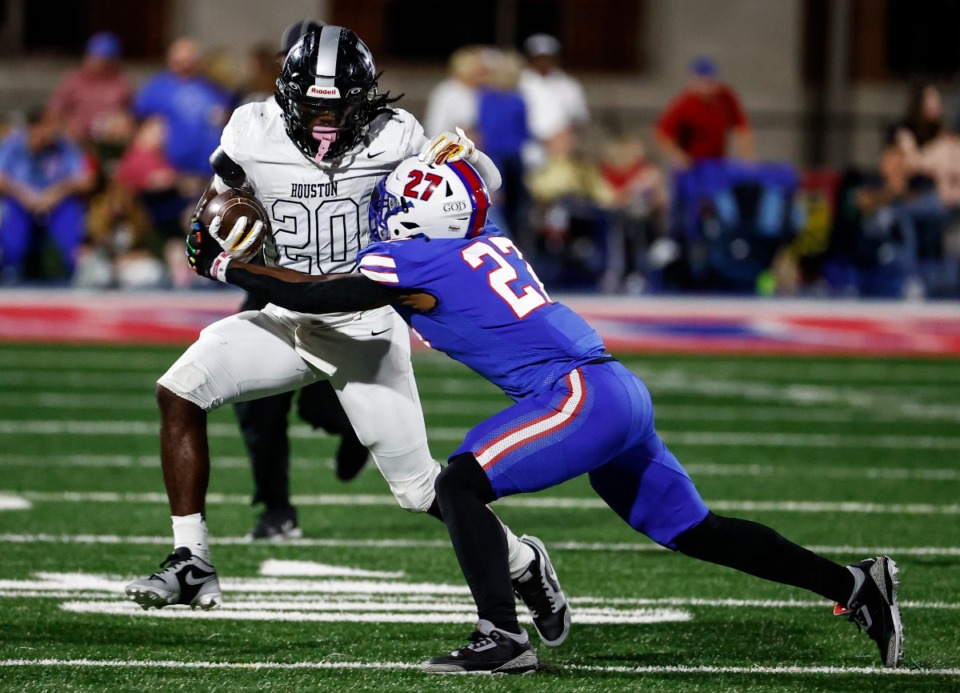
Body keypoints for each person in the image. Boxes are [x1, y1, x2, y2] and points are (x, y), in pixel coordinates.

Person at [187, 154, 904, 674]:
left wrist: (228, 268)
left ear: (421, 213)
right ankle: (852, 584)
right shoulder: (484, 241)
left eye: (396, 204)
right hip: (616, 388)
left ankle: (500, 633)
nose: (385, 216)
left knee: (459, 482)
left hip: (577, 396)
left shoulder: (420, 261)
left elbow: (316, 296)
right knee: (696, 529)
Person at [123, 26, 570, 652]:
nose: (328, 121)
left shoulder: (399, 134)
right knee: (179, 391)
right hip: (286, 318)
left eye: (342, 106)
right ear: (286, 97)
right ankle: (191, 560)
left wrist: (466, 160)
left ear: (367, 98)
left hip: (364, 325)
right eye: (314, 106)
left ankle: (523, 562)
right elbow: (219, 201)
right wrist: (211, 224)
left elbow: (472, 193)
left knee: (419, 491)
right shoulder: (252, 130)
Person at [232, 19, 370, 541]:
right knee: (258, 404)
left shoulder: (377, 132)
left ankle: (353, 426)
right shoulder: (255, 123)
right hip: (272, 278)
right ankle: (277, 509)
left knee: (319, 397)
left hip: (341, 284)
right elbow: (229, 187)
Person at [0, 108, 94, 283]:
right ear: (34, 127)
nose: (54, 131)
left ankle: (74, 267)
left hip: (56, 203)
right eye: (49, 126)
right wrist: (23, 194)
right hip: (20, 202)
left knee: (70, 210)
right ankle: (9, 267)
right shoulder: (11, 145)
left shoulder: (64, 147)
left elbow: (85, 179)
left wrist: (58, 191)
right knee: (12, 214)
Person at [654, 56, 754, 170]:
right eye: (702, 81)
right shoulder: (684, 104)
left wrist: (747, 158)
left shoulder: (726, 97)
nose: (706, 87)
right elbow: (662, 135)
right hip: (693, 165)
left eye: (709, 81)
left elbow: (742, 128)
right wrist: (678, 156)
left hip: (717, 162)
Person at [47, 32, 134, 148]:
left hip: (108, 143)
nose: (96, 63)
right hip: (75, 142)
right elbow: (53, 112)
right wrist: (66, 128)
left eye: (103, 60)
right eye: (93, 57)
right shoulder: (74, 80)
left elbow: (131, 114)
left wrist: (120, 124)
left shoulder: (120, 83)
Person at [518, 34, 590, 169]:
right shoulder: (519, 83)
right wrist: (541, 139)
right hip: (526, 150)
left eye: (547, 58)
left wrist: (565, 136)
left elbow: (579, 118)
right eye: (539, 58)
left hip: (560, 152)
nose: (543, 62)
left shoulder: (569, 85)